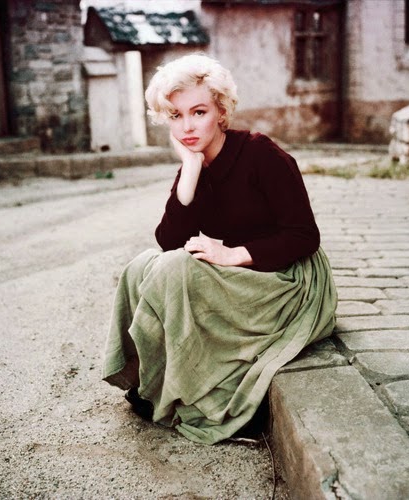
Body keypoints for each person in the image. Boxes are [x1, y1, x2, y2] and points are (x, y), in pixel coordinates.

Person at [102, 54, 337, 445]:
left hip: (288, 279)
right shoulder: (193, 165)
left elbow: (304, 236)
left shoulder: (261, 154)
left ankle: (200, 394)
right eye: (175, 116)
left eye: (199, 112)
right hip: (241, 277)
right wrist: (191, 173)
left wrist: (233, 254)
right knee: (141, 265)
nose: (187, 126)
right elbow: (168, 241)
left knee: (175, 269)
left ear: (221, 111)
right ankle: (149, 380)